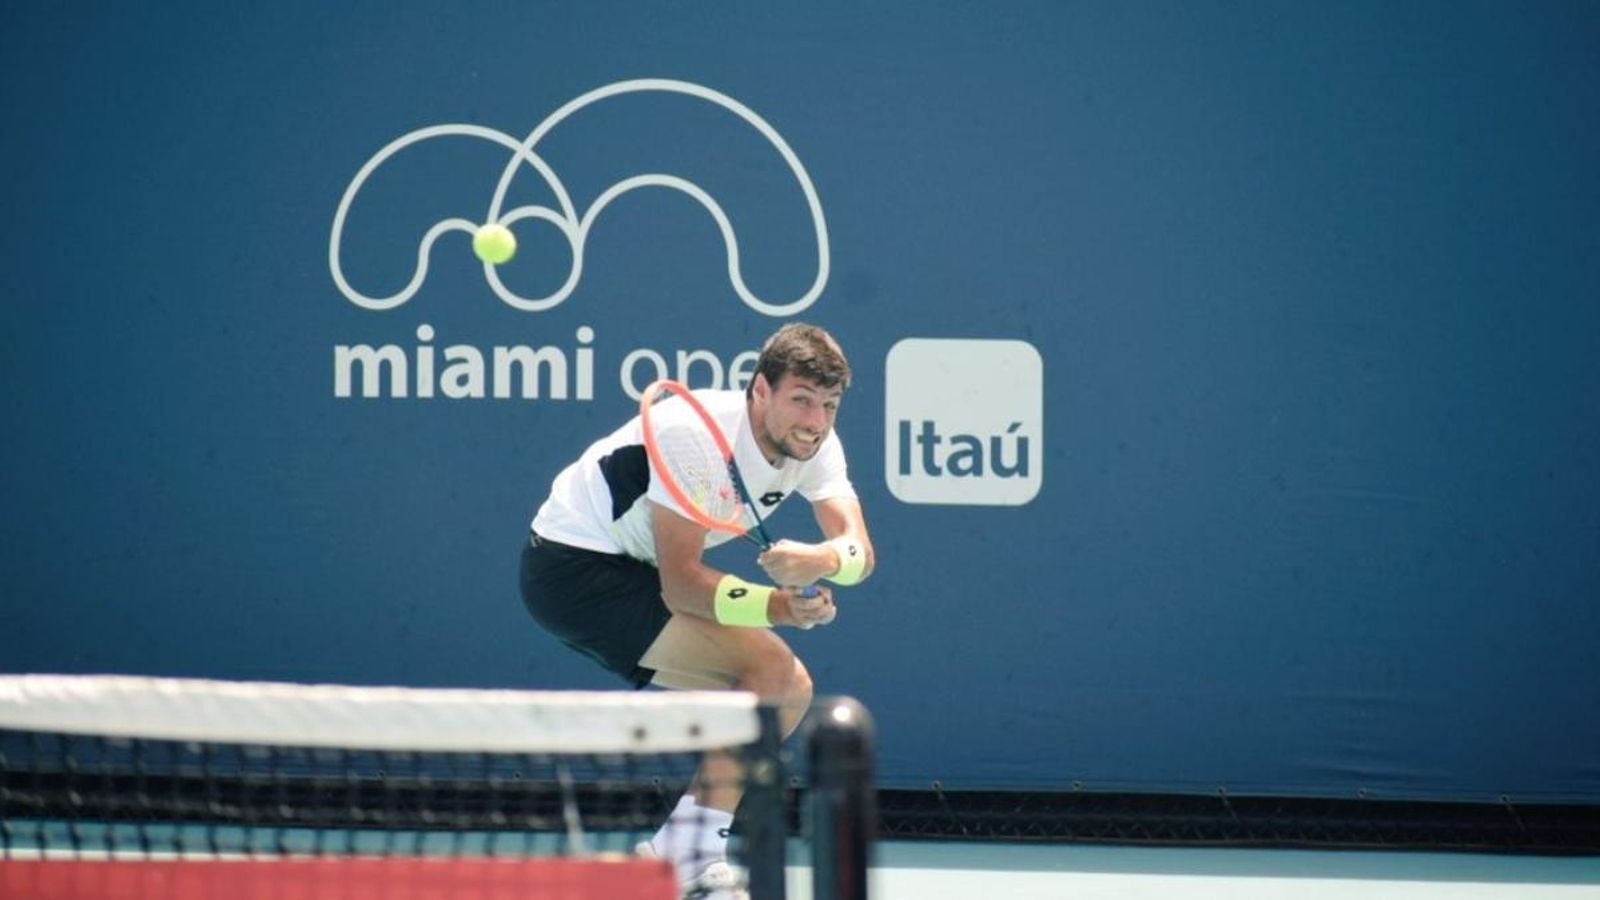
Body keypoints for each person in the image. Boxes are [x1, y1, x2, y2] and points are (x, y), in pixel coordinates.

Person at [519, 322, 875, 899]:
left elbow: (861, 556)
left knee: (784, 686)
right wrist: (782, 606)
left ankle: (681, 851)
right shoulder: (694, 433)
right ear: (760, 390)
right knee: (776, 674)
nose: (816, 421)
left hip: (634, 569)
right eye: (802, 400)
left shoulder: (817, 446)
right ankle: (685, 854)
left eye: (829, 405)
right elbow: (682, 586)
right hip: (573, 568)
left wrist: (823, 557)